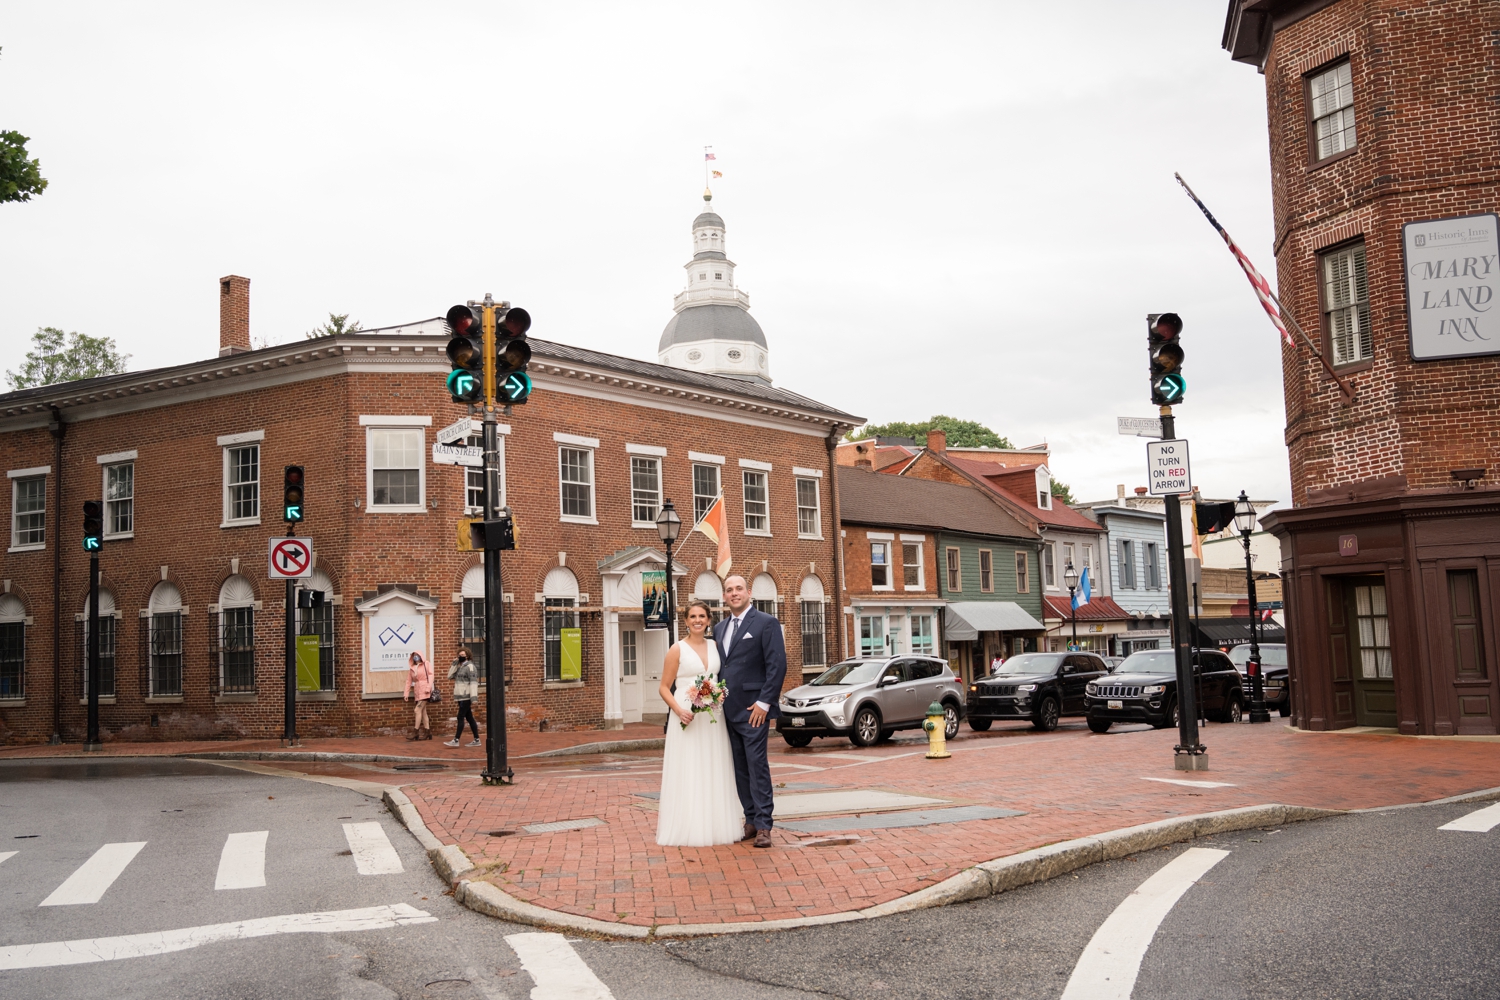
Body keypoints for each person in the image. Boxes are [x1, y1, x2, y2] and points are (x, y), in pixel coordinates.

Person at [655, 600, 743, 847]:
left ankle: (715, 826)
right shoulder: (677, 649)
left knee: (713, 766)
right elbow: (663, 687)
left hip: (713, 716)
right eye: (692, 616)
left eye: (702, 616)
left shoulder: (716, 646)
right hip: (687, 716)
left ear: (708, 620)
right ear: (685, 621)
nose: (697, 620)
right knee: (690, 768)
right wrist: (679, 710)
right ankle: (689, 827)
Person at [713, 574, 787, 848]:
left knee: (757, 767)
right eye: (729, 590)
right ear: (724, 596)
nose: (734, 593)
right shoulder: (719, 629)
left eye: (739, 589)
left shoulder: (766, 623)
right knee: (740, 768)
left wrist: (764, 703)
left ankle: (765, 825)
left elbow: (777, 666)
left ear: (749, 592)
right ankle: (751, 821)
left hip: (754, 709)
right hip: (728, 711)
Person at [445, 646, 481, 748]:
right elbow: (449, 676)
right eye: (460, 655)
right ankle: (477, 739)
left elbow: (473, 683)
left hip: (466, 696)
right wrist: (454, 664)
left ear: (468, 656)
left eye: (463, 655)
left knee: (460, 717)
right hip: (460, 696)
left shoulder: (470, 667)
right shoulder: (460, 667)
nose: (461, 657)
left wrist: (473, 697)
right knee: (469, 717)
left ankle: (456, 740)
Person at [403, 651, 434, 741]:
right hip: (417, 691)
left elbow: (431, 676)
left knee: (417, 710)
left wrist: (428, 688)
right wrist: (406, 693)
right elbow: (408, 681)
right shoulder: (412, 668)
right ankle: (428, 732)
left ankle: (415, 732)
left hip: (425, 691)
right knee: (423, 712)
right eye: (414, 656)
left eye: (417, 655)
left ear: (421, 656)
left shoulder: (426, 664)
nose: (416, 657)